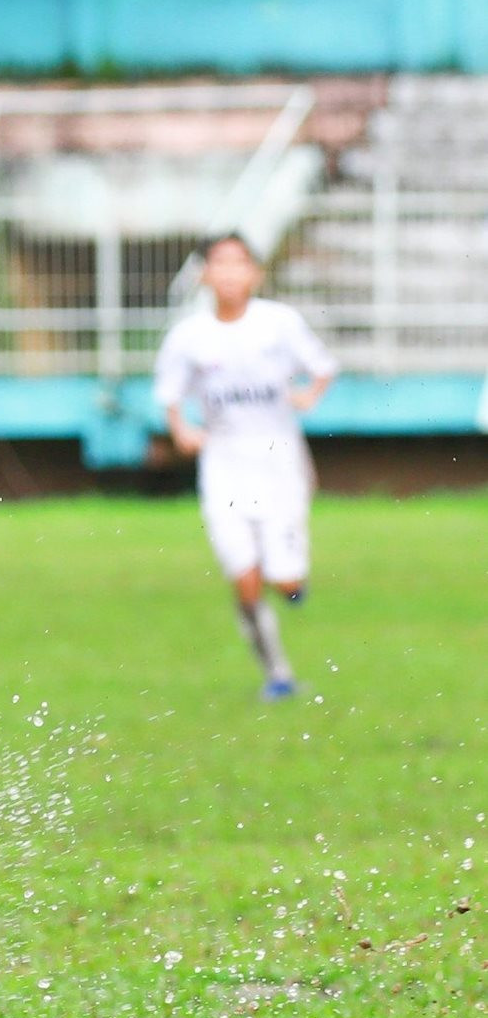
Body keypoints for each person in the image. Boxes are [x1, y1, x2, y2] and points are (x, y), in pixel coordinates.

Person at [153, 233, 336, 701]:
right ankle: (277, 675)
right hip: (224, 463)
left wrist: (308, 396)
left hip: (278, 460)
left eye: (240, 263)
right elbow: (170, 394)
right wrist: (182, 430)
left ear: (255, 273)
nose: (230, 273)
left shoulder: (279, 324)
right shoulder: (190, 335)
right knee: (245, 579)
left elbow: (322, 366)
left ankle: (294, 582)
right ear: (204, 274)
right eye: (220, 263)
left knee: (283, 578)